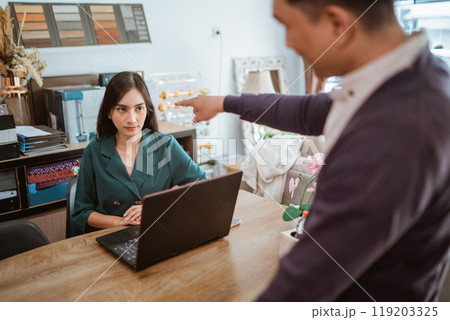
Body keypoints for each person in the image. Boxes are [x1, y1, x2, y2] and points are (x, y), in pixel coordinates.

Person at [177, 0, 450, 301]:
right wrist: (225, 103)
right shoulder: (408, 75)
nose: (288, 42)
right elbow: (309, 110)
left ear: (337, 24)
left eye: (288, 26)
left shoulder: (395, 128)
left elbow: (306, 281)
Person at [73, 72, 207, 233]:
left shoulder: (166, 146)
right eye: (122, 109)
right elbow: (82, 212)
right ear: (109, 112)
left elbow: (202, 186)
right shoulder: (94, 152)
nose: (132, 119)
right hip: (110, 238)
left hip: (158, 233)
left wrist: (155, 206)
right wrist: (120, 222)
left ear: (147, 109)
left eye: (139, 108)